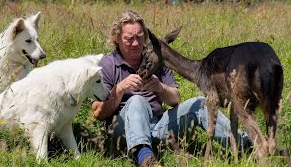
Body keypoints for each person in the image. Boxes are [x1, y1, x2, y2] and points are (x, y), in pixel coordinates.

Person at [92, 10, 250, 166]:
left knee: (201, 103)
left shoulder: (155, 58)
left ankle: (248, 145)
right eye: (129, 39)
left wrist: (160, 88)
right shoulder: (107, 65)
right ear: (116, 39)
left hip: (158, 125)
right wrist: (119, 90)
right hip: (125, 130)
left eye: (139, 37)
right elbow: (98, 112)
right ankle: (145, 159)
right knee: (137, 101)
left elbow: (176, 100)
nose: (135, 43)